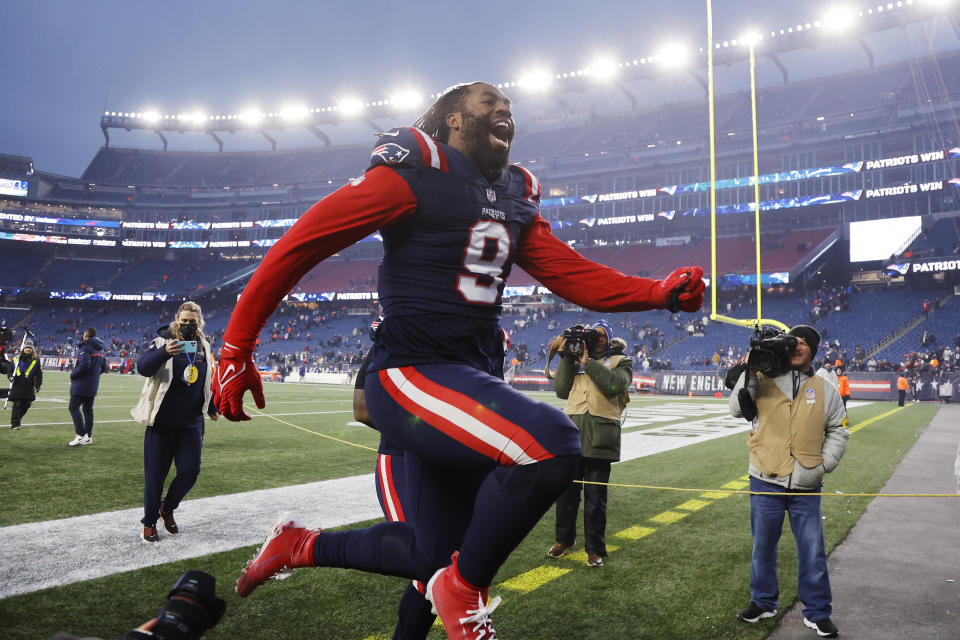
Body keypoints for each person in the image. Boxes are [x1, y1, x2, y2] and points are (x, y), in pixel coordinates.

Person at [214, 81, 705, 639]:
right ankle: (465, 589)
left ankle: (301, 545)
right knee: (548, 444)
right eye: (488, 104)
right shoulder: (415, 173)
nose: (504, 112)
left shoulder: (515, 194)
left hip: (467, 379)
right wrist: (236, 347)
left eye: (510, 108)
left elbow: (569, 272)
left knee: (432, 557)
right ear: (451, 119)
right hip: (411, 371)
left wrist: (656, 291)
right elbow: (301, 243)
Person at [729, 325, 847, 638]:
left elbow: (839, 429)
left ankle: (818, 612)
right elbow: (735, 409)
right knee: (762, 548)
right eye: (791, 342)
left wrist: (825, 464)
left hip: (806, 484)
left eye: (804, 343)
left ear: (813, 350)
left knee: (812, 551)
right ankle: (763, 602)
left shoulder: (825, 388)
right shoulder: (764, 379)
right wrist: (750, 367)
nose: (796, 347)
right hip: (765, 478)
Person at [132, 302, 220, 543]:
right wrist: (164, 352)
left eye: (193, 321)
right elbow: (142, 368)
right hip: (162, 421)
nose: (189, 325)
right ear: (177, 319)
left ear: (200, 322)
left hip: (191, 422)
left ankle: (167, 508)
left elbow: (202, 382)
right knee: (155, 476)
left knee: (191, 470)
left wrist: (210, 407)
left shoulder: (203, 345)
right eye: (185, 321)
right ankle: (149, 522)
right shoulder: (163, 340)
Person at [546, 320, 629, 568]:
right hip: (571, 433)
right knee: (566, 494)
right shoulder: (573, 358)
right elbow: (561, 391)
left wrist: (587, 363)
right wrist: (565, 358)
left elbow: (615, 385)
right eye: (594, 334)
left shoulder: (620, 361)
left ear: (610, 339)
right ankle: (564, 540)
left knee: (595, 497)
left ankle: (594, 549)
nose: (597, 337)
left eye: (602, 334)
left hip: (601, 436)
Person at [68, 327, 108, 446]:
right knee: (88, 410)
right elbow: (104, 368)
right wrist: (93, 376)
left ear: (86, 336)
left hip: (82, 385)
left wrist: (73, 375)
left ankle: (80, 435)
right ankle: (88, 437)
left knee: (73, 407)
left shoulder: (85, 347)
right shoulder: (100, 350)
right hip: (92, 385)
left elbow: (84, 365)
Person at [8, 338, 42, 430]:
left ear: (32, 349)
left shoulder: (36, 360)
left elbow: (39, 374)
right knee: (17, 404)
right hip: (17, 385)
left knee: (27, 404)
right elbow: (10, 371)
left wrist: (38, 385)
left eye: (30, 348)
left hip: (29, 386)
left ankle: (17, 419)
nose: (28, 349)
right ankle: (15, 424)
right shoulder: (16, 359)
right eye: (26, 347)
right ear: (23, 348)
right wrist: (10, 377)